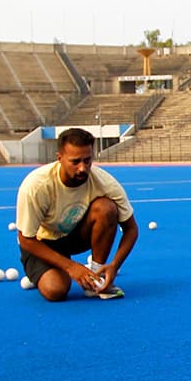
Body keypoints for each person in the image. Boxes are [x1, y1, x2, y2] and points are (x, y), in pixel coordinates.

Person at [15, 127, 139, 301]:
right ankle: (44, 272)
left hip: (74, 235)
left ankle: (96, 277)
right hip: (42, 242)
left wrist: (114, 266)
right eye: (75, 162)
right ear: (59, 158)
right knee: (55, 291)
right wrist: (71, 266)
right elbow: (25, 239)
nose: (83, 168)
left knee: (106, 208)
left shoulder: (105, 183)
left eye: (87, 160)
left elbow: (131, 229)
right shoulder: (36, 186)